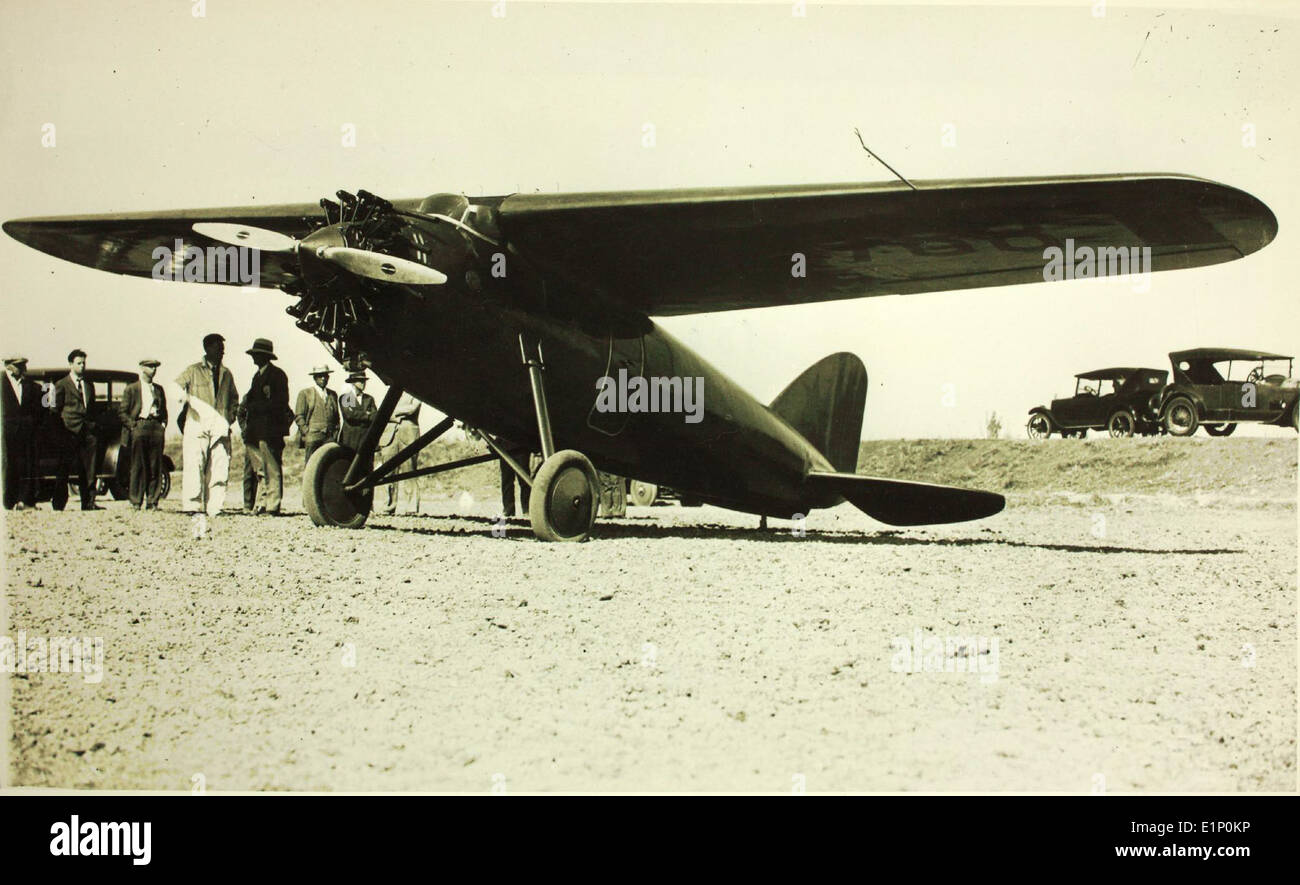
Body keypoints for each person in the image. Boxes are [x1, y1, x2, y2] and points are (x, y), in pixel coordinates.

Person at [175, 333, 239, 538]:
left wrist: (229, 418)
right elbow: (176, 388)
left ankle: (216, 507)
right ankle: (193, 505)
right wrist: (189, 403)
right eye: (218, 348)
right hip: (197, 425)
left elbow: (234, 399)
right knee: (195, 465)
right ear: (207, 349)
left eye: (222, 348)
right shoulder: (192, 371)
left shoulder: (227, 374)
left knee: (220, 466)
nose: (221, 352)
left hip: (219, 426)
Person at [238, 338, 291, 515]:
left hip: (269, 431)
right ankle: (262, 503)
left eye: (256, 354)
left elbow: (280, 403)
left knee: (271, 468)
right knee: (260, 469)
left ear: (264, 356)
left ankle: (273, 505)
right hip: (255, 431)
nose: (253, 358)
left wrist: (255, 407)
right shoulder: (258, 376)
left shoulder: (277, 375)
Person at [52, 349, 100, 510]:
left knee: (88, 469)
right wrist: (61, 431)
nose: (82, 366)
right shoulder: (61, 385)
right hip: (68, 433)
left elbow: (91, 408)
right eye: (79, 363)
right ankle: (58, 504)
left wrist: (92, 426)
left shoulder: (88, 385)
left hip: (87, 433)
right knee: (64, 468)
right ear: (71, 364)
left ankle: (88, 503)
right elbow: (54, 410)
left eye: (84, 363)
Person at [118, 358, 168, 510]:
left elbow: (164, 411)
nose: (153, 369)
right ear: (142, 368)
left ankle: (152, 501)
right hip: (139, 426)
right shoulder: (132, 389)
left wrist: (163, 425)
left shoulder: (159, 389)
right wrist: (133, 426)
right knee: (138, 465)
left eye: (155, 367)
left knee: (155, 465)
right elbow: (122, 412)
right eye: (150, 366)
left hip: (155, 428)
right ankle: (136, 501)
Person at [2, 356, 42, 510]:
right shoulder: (2, 383)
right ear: (9, 366)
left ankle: (25, 500)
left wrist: (31, 422)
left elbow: (40, 407)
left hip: (25, 433)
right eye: (19, 366)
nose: (23, 369)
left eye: (24, 365)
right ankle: (7, 501)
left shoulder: (30, 386)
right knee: (7, 466)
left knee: (25, 466)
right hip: (5, 433)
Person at [376, 392, 422, 515]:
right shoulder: (390, 393)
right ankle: (389, 506)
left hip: (408, 435)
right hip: (389, 435)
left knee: (409, 470)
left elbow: (412, 409)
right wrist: (400, 414)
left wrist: (393, 413)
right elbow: (381, 412)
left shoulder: (416, 392)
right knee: (388, 471)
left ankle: (411, 507)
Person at [294, 365, 340, 462]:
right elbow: (299, 416)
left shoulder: (333, 394)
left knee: (328, 463)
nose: (323, 378)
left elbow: (336, 416)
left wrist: (335, 432)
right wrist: (306, 432)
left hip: (329, 437)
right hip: (313, 437)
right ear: (315, 378)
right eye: (320, 376)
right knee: (311, 465)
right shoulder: (306, 393)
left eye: (325, 376)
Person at [338, 370, 377, 454]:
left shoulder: (369, 398)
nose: (363, 383)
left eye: (364, 381)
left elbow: (374, 415)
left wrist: (361, 415)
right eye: (360, 380)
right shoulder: (346, 397)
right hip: (350, 439)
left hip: (365, 437)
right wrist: (367, 414)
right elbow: (349, 415)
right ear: (353, 382)